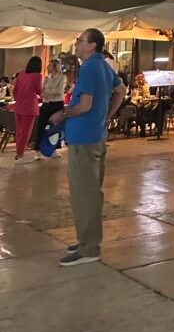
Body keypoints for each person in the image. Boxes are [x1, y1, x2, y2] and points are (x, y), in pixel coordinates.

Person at [50, 29, 126, 266]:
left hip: (84, 138)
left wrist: (62, 114)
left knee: (84, 194)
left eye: (80, 40)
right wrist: (106, 116)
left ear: (92, 45)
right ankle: (87, 239)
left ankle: (89, 248)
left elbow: (84, 105)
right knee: (91, 191)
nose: (76, 43)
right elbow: (121, 90)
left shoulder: (90, 68)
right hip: (95, 135)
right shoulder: (103, 65)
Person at [33, 59, 68, 157]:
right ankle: (38, 150)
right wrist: (48, 92)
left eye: (50, 65)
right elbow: (41, 91)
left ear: (55, 66)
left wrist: (48, 92)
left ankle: (54, 149)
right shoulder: (47, 78)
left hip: (57, 104)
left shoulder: (62, 77)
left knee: (55, 126)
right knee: (41, 125)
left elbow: (59, 91)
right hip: (46, 103)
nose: (48, 67)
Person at [12, 56, 43, 162]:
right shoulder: (37, 76)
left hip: (19, 105)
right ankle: (20, 154)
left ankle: (18, 151)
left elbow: (15, 91)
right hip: (30, 107)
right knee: (26, 131)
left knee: (19, 130)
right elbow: (39, 90)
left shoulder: (21, 74)